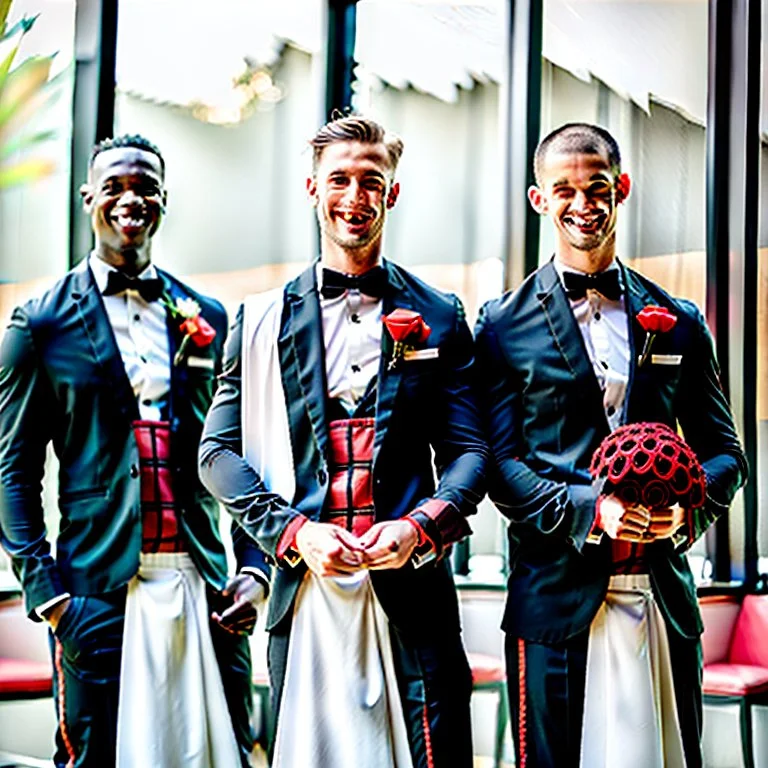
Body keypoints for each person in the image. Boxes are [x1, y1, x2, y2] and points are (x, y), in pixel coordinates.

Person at [199, 114, 487, 768]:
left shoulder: (439, 313)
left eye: (370, 180)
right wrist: (296, 533)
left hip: (412, 591)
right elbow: (215, 455)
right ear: (311, 187)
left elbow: (472, 452)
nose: (354, 196)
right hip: (306, 594)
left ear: (392, 192)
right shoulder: (260, 319)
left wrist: (421, 527)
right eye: (339, 180)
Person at [474, 123, 748, 768]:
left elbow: (726, 452)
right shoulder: (500, 323)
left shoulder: (679, 319)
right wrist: (589, 509)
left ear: (620, 189)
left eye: (597, 187)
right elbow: (500, 467)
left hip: (661, 597)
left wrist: (689, 509)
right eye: (564, 190)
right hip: (553, 600)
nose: (583, 205)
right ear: (540, 200)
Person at [0, 134, 270, 768]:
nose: (131, 199)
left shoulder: (206, 316)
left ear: (163, 201)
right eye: (114, 186)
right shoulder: (38, 323)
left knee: (218, 751)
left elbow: (246, 452)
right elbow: (10, 470)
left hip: (206, 586)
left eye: (145, 186)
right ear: (88, 198)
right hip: (96, 591)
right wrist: (49, 594)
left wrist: (254, 569)